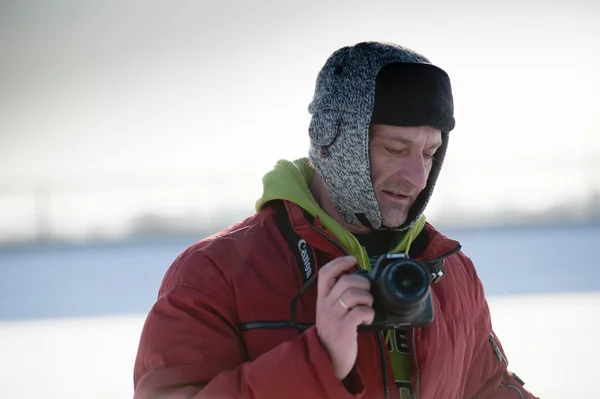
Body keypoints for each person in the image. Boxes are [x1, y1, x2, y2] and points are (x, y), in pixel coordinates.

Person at [133, 41, 538, 399]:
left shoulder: (451, 271)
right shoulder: (214, 273)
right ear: (336, 142)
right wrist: (318, 361)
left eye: (429, 153)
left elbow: (488, 388)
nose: (418, 177)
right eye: (396, 149)